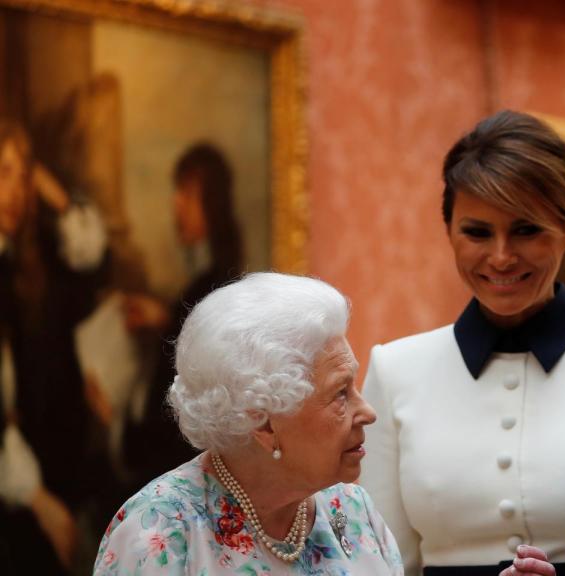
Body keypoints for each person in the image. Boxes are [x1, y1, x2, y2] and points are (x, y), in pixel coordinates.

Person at [359, 110, 565, 575]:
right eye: (477, 232)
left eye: (526, 230)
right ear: (449, 232)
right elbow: (381, 561)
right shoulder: (395, 371)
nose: (500, 256)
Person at [94, 272, 404, 573]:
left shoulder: (352, 511)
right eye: (340, 393)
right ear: (264, 425)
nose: (368, 412)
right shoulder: (159, 532)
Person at [0, 118, 108, 574]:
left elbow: (93, 257)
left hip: (52, 462)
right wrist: (33, 494)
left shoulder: (31, 258)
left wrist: (57, 195)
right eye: (3, 172)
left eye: (23, 176)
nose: (18, 190)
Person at [121, 142, 244, 485]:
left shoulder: (218, 284)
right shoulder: (203, 280)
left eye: (187, 193)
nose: (176, 203)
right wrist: (164, 319)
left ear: (212, 202)